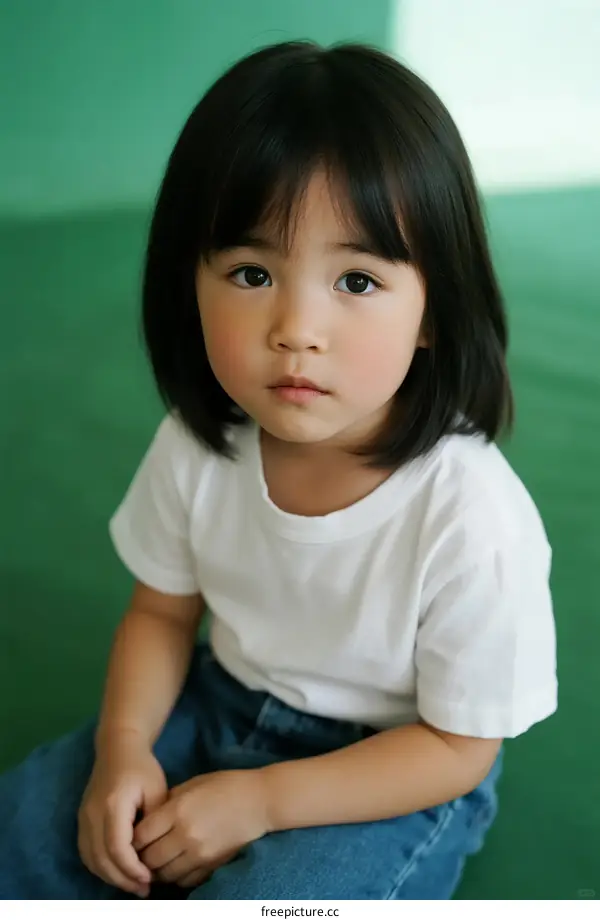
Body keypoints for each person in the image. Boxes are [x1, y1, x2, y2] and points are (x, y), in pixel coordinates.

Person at [0, 40, 558, 900]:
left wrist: (264, 800)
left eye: (358, 281)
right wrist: (122, 752)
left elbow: (457, 747)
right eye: (253, 272)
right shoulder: (200, 443)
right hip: (218, 704)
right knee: (28, 827)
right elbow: (159, 613)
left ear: (434, 313)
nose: (296, 327)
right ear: (189, 283)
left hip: (392, 770)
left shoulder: (471, 514)